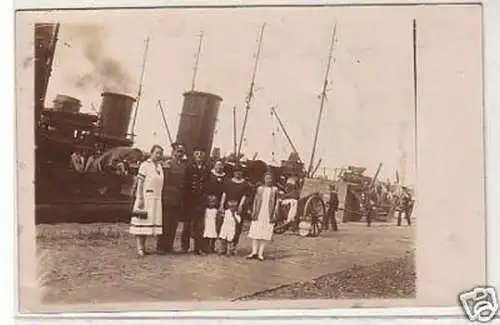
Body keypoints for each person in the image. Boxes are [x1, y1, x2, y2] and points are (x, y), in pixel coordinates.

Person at [129, 145, 164, 257]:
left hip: (156, 198)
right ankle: (139, 248)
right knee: (141, 222)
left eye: (160, 153)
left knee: (148, 224)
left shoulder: (159, 167)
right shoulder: (145, 165)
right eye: (157, 153)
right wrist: (140, 198)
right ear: (151, 153)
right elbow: (140, 183)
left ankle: (143, 247)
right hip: (146, 197)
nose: (158, 155)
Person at [157, 142, 187, 254]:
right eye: (178, 151)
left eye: (182, 152)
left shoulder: (183, 166)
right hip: (168, 196)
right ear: (173, 152)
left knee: (173, 223)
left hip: (178, 197)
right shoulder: (168, 164)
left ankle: (169, 246)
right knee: (165, 222)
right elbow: (163, 181)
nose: (180, 154)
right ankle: (161, 246)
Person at [182, 146, 210, 255]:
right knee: (187, 225)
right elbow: (185, 183)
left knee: (199, 226)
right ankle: (185, 247)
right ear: (193, 155)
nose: (199, 156)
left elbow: (207, 183)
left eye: (201, 154)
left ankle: (197, 248)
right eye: (197, 154)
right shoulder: (188, 167)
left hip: (201, 199)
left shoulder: (206, 168)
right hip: (190, 199)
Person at [247, 172, 279, 261]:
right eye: (266, 178)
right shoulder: (260, 189)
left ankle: (260, 253)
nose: (268, 180)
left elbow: (277, 203)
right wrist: (254, 212)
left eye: (270, 178)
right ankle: (254, 252)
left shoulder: (274, 190)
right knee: (255, 232)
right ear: (264, 179)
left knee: (264, 233)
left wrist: (274, 214)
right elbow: (256, 201)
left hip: (268, 213)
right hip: (259, 212)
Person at [220, 164, 250, 254]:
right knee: (225, 226)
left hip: (238, 208)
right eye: (236, 172)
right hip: (227, 207)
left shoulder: (245, 184)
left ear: (242, 173)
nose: (238, 174)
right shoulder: (228, 182)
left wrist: (240, 205)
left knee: (237, 227)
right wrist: (221, 204)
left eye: (239, 172)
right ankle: (224, 246)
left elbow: (245, 196)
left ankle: (233, 246)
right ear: (233, 172)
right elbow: (224, 193)